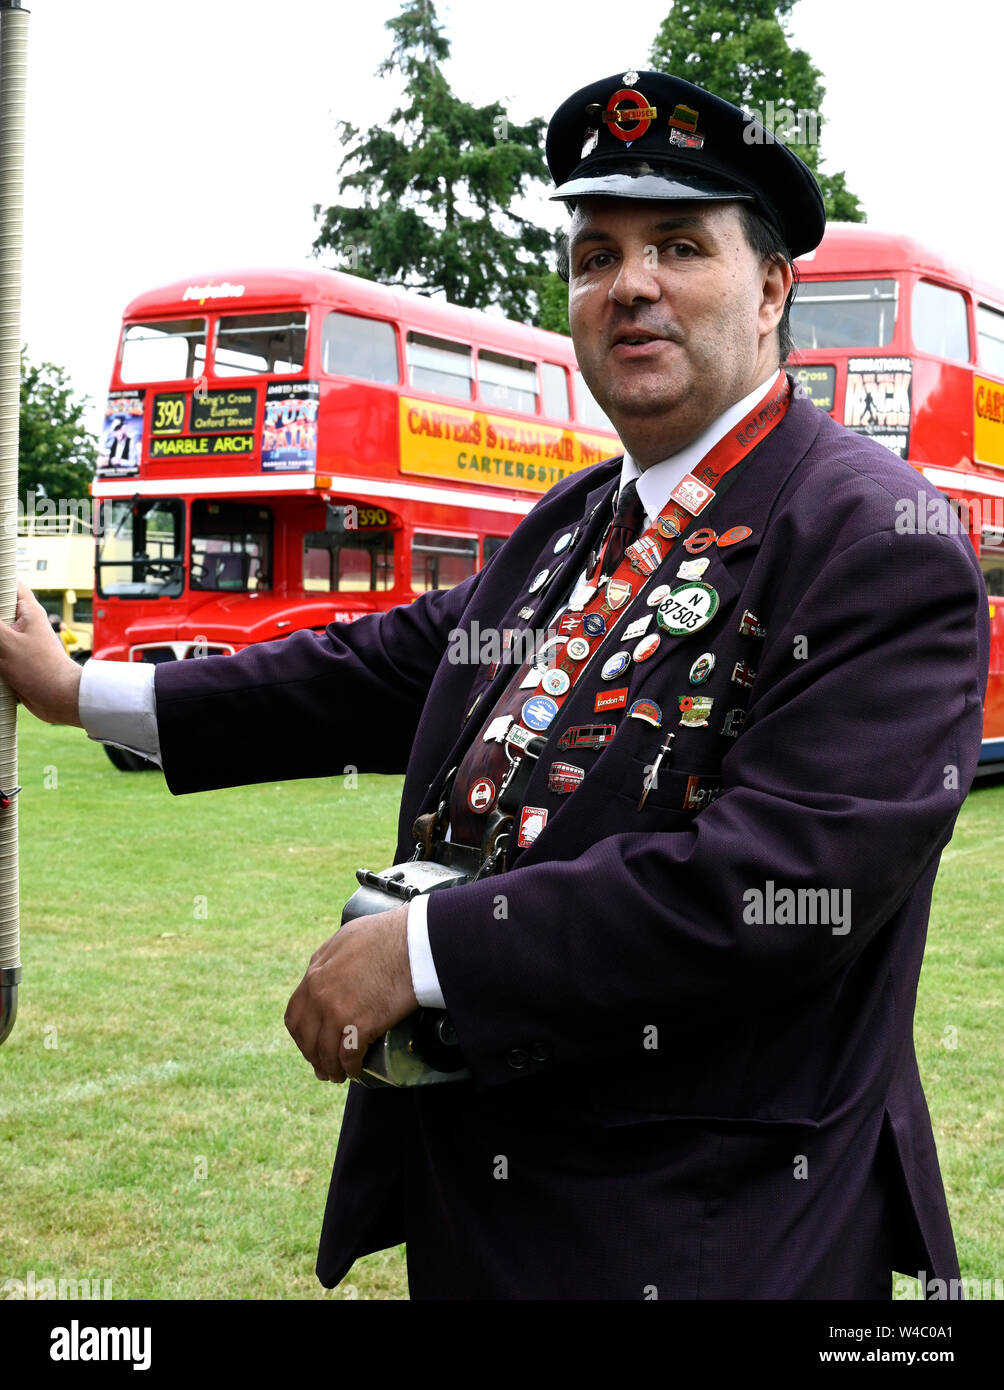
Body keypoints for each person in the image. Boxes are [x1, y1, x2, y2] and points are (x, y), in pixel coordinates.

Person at [0, 70, 988, 1300]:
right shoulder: (577, 518)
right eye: (594, 254)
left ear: (773, 286)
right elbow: (371, 670)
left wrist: (424, 952)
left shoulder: (873, 533)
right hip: (496, 1204)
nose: (628, 285)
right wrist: (79, 691)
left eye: (677, 247)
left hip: (706, 1235)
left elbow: (778, 881)